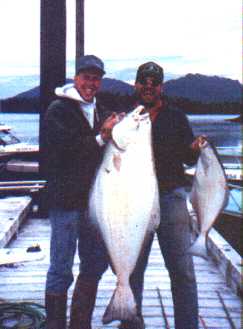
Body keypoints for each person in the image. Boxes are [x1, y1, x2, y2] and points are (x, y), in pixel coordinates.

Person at [118, 61, 204, 329]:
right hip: (135, 203)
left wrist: (195, 149)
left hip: (171, 199)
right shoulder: (127, 119)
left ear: (161, 87)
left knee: (183, 272)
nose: (148, 86)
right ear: (136, 84)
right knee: (133, 270)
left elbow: (188, 159)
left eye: (154, 83)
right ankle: (132, 323)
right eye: (144, 81)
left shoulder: (176, 117)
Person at [42, 54, 119, 329]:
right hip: (65, 202)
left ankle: (79, 323)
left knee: (94, 264)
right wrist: (103, 137)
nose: (91, 83)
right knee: (61, 268)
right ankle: (54, 324)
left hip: (94, 204)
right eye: (86, 77)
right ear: (76, 79)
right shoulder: (58, 110)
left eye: (96, 78)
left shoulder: (103, 112)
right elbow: (66, 151)